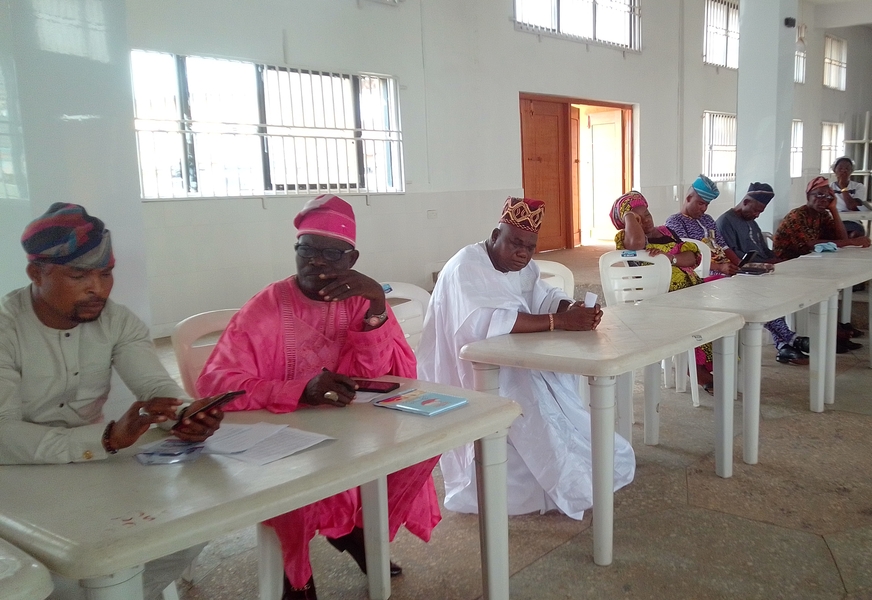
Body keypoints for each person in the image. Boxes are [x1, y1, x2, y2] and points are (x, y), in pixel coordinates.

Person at [196, 195, 440, 600]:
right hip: (279, 437)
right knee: (299, 477)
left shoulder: (363, 299)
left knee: (417, 450)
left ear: (352, 258)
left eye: (332, 253)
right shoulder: (266, 307)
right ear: (296, 252)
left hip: (349, 428)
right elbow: (215, 386)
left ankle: (357, 531)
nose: (318, 263)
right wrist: (298, 390)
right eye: (307, 251)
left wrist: (376, 306)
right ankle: (296, 575)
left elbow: (389, 377)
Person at [1, 203, 224, 599]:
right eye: (79, 275)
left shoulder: (116, 320)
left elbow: (154, 387)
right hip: (14, 478)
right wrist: (103, 440)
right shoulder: (6, 329)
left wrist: (183, 415)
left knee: (193, 522)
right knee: (59, 576)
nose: (98, 289)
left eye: (106, 274)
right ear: (36, 273)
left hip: (88, 471)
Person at [418, 197, 632, 520]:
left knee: (550, 390)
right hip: (472, 369)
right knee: (528, 397)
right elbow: (485, 323)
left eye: (530, 248)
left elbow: (541, 296)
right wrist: (559, 323)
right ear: (494, 236)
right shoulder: (467, 266)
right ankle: (554, 478)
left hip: (511, 359)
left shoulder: (523, 266)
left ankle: (563, 471)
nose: (523, 253)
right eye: (516, 243)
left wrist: (571, 309)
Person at [613, 191, 718, 387]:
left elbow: (693, 258)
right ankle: (697, 368)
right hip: (661, 297)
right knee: (694, 315)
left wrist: (669, 258)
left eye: (647, 214)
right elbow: (636, 243)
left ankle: (717, 362)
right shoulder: (627, 239)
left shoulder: (667, 232)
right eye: (637, 218)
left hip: (690, 287)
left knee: (720, 308)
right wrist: (629, 216)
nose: (645, 220)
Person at [715, 183, 809, 365]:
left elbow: (765, 251)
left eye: (760, 212)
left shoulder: (752, 222)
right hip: (738, 277)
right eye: (756, 210)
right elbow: (733, 258)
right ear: (746, 201)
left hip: (759, 273)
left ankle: (783, 344)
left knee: (785, 291)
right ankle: (789, 339)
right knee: (764, 298)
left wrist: (777, 261)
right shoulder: (725, 222)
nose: (757, 215)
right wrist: (765, 263)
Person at [774, 176, 871, 261]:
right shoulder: (797, 215)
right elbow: (810, 244)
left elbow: (842, 238)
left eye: (828, 196)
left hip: (808, 260)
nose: (824, 200)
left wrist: (833, 209)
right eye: (819, 195)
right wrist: (851, 242)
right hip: (786, 262)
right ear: (808, 196)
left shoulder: (822, 215)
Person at [664, 175, 740, 277]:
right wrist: (720, 268)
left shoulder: (707, 219)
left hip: (725, 272)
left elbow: (723, 246)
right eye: (700, 203)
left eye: (707, 204)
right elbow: (688, 257)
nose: (704, 208)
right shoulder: (675, 221)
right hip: (700, 275)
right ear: (689, 198)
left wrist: (740, 265)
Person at [829, 157, 869, 238]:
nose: (844, 171)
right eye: (840, 168)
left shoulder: (858, 187)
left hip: (852, 221)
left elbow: (852, 206)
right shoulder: (828, 188)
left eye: (847, 168)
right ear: (834, 170)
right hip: (833, 221)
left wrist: (843, 187)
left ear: (851, 171)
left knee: (854, 235)